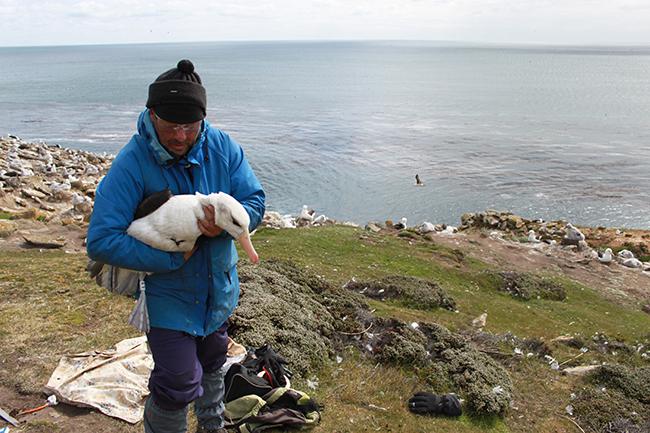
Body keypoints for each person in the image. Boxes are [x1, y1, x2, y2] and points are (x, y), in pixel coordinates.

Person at [87, 59, 265, 433]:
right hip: (167, 296)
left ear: (203, 118)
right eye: (171, 126)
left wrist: (223, 226)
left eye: (190, 126)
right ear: (152, 115)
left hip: (219, 289)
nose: (181, 136)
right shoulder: (132, 163)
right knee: (179, 381)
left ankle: (211, 427)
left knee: (214, 361)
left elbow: (254, 201)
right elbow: (101, 240)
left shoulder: (223, 148)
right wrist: (170, 258)